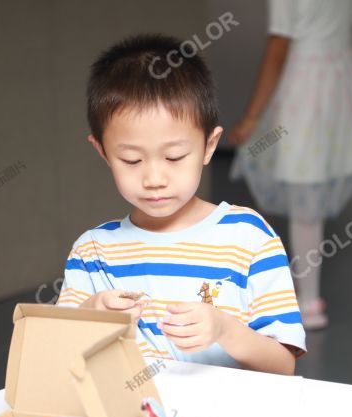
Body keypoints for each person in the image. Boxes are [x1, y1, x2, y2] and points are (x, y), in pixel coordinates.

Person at [55, 34, 305, 376]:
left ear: (208, 145)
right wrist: (92, 314)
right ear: (102, 152)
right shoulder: (93, 252)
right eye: (131, 160)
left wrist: (224, 329)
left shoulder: (248, 238)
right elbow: (56, 356)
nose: (154, 178)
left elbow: (283, 367)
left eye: (174, 156)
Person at [228, 0, 352, 330]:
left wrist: (251, 118)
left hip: (305, 83)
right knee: (313, 184)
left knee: (304, 186)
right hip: (341, 78)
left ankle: (308, 302)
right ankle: (307, 296)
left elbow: (278, 48)